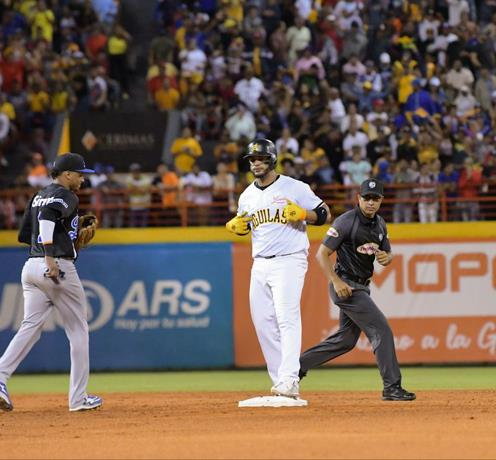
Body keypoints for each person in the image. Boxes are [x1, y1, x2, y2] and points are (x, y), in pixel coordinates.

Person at [226, 138, 331, 399]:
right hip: (260, 262)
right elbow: (247, 224)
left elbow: (325, 213)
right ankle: (280, 382)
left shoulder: (295, 187)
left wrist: (305, 215)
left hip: (289, 259)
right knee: (262, 322)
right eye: (252, 159)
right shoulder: (247, 195)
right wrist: (238, 227)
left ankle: (289, 379)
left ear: (272, 159)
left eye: (260, 158)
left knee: (287, 317)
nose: (256, 163)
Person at [0, 153, 103, 412]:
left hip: (30, 269)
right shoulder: (66, 195)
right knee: (78, 330)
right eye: (80, 174)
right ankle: (78, 399)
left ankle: (0, 377)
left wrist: (69, 239)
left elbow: (26, 235)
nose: (82, 178)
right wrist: (50, 255)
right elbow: (47, 217)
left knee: (30, 327)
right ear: (67, 174)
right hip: (54, 267)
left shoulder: (38, 196)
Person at [299, 178, 416, 402]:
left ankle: (295, 368)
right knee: (381, 330)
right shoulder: (346, 222)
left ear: (381, 200)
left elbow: (387, 255)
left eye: (375, 198)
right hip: (347, 286)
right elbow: (321, 254)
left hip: (361, 286)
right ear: (358, 199)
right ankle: (392, 387)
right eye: (366, 198)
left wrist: (386, 258)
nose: (370, 202)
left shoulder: (380, 223)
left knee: (345, 340)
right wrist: (335, 281)